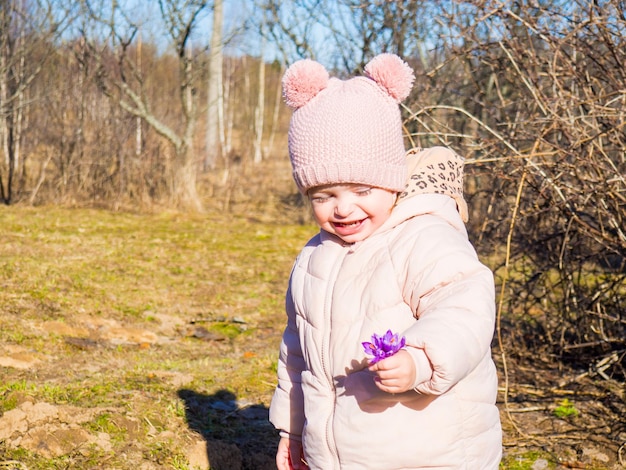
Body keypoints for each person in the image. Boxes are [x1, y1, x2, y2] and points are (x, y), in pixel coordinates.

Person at [269, 53, 502, 469]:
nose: (342, 209)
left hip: (430, 451)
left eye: (361, 190)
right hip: (338, 455)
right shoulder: (313, 258)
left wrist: (420, 360)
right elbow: (296, 352)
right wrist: (294, 429)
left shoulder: (424, 237)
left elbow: (465, 307)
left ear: (391, 182)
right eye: (323, 196)